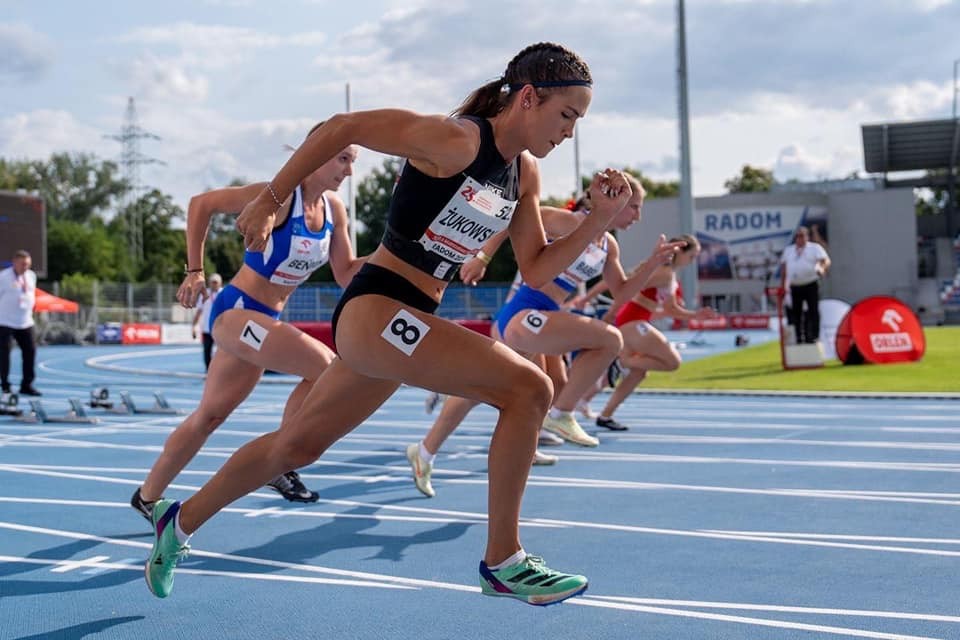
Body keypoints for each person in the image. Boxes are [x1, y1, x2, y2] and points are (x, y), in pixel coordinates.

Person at [145, 42, 631, 606]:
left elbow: (537, 266)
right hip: (377, 308)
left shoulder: (523, 174)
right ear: (528, 97)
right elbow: (340, 127)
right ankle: (504, 560)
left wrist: (599, 220)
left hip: (409, 321)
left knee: (297, 447)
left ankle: (177, 524)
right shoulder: (458, 140)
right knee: (531, 388)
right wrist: (271, 198)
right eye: (566, 116)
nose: (570, 133)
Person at [130, 125, 363, 523]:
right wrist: (195, 270)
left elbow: (346, 273)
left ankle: (147, 498)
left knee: (210, 416)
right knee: (327, 368)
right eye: (343, 159)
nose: (350, 172)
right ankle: (282, 462)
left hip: (264, 320)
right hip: (235, 311)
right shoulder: (277, 196)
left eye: (353, 162)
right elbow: (200, 204)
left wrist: (402, 255)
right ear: (317, 153)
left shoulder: (333, 211)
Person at [404, 186, 681, 496]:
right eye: (634, 207)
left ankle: (427, 451)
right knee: (607, 340)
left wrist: (652, 265)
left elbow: (622, 292)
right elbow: (513, 221)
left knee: (552, 385)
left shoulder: (609, 246)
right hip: (523, 312)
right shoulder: (570, 222)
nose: (638, 216)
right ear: (615, 202)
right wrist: (482, 258)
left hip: (546, 315)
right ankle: (559, 416)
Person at [576, 235, 716, 430]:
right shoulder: (663, 274)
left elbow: (671, 309)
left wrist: (696, 315)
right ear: (680, 252)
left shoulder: (670, 276)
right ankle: (622, 362)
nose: (693, 262)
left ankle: (606, 415)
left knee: (639, 373)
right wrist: (607, 311)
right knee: (672, 361)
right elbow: (623, 288)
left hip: (634, 322)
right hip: (631, 322)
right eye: (692, 256)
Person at [0, 250, 40, 396]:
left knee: (30, 352)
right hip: (5, 322)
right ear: (15, 262)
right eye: (23, 264)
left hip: (25, 321)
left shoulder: (31, 276)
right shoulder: (4, 277)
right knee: (5, 354)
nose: (25, 267)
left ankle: (27, 384)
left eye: (28, 264)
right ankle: (5, 385)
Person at [780, 225, 830, 344]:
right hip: (795, 286)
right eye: (797, 236)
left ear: (807, 237)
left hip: (810, 283)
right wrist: (783, 285)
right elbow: (784, 268)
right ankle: (799, 338)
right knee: (796, 313)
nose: (799, 239)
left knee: (813, 311)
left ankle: (814, 337)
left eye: (802, 236)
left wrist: (822, 268)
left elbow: (825, 260)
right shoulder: (789, 250)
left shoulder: (814, 248)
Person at [192, 273, 223, 371]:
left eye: (216, 282)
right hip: (207, 329)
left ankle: (221, 370)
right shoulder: (204, 294)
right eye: (212, 282)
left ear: (220, 283)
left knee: (223, 352)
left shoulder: (224, 293)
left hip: (221, 328)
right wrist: (194, 326)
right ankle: (208, 371)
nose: (214, 284)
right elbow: (199, 311)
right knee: (207, 351)